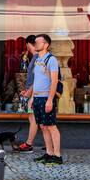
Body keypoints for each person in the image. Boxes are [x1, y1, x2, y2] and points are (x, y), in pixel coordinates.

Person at [30, 33, 63, 164]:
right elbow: (37, 80)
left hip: (46, 97)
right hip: (38, 97)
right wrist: (32, 97)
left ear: (46, 45)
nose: (35, 44)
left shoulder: (52, 60)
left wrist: (50, 100)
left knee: (51, 126)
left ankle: (57, 155)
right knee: (43, 126)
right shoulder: (37, 59)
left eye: (38, 42)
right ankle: (49, 153)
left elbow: (54, 81)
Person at [12, 36, 39, 152]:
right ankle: (50, 144)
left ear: (28, 44)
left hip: (35, 93)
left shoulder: (37, 57)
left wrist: (29, 93)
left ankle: (29, 144)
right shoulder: (36, 57)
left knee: (33, 118)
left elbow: (38, 78)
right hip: (33, 91)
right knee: (40, 120)